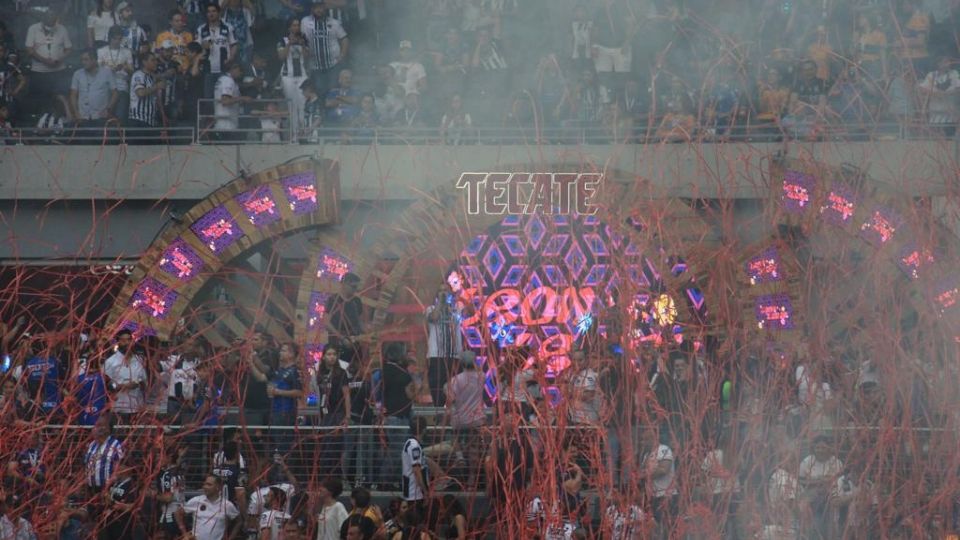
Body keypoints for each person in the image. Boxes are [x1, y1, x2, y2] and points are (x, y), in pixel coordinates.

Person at [25, 7, 73, 115]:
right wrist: (44, 60)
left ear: (56, 19)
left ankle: (60, 122)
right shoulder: (33, 28)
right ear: (43, 18)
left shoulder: (62, 29)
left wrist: (60, 59)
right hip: (39, 72)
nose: (51, 21)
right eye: (48, 17)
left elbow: (69, 49)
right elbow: (29, 50)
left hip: (58, 71)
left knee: (59, 98)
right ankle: (40, 124)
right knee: (40, 100)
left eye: (53, 19)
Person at [301, 1, 348, 96]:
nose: (319, 10)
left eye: (321, 7)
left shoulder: (334, 22)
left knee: (333, 91)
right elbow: (303, 39)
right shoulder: (305, 22)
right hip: (316, 66)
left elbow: (344, 39)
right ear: (312, 9)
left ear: (325, 7)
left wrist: (342, 55)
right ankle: (322, 110)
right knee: (320, 92)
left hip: (333, 65)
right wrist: (305, 51)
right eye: (316, 7)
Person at [316, 343, 349, 476]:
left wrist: (347, 416)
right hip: (325, 414)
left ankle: (336, 475)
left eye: (334, 354)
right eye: (329, 354)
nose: (332, 357)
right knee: (325, 444)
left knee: (335, 444)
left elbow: (347, 395)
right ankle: (325, 474)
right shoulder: (320, 373)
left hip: (338, 413)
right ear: (323, 357)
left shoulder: (341, 373)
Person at [179, 474, 241, 540]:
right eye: (204, 484)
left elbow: (239, 521)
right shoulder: (196, 501)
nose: (205, 487)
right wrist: (184, 533)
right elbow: (178, 513)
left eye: (209, 485)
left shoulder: (227, 505)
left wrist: (230, 538)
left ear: (218, 487)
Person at [103, 328, 147, 418]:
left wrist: (137, 384)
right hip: (118, 407)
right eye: (123, 340)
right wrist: (120, 386)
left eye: (129, 340)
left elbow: (144, 380)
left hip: (136, 406)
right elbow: (106, 384)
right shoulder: (110, 362)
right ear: (118, 342)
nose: (127, 343)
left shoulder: (139, 360)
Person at [278, 17, 311, 135]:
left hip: (302, 75)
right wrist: (289, 44)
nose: (296, 27)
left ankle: (303, 132)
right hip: (288, 76)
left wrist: (302, 45)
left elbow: (308, 56)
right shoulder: (282, 39)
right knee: (292, 104)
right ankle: (294, 135)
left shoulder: (304, 38)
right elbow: (281, 57)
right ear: (289, 27)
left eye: (298, 25)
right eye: (294, 25)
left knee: (302, 103)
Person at [70, 49, 118, 129]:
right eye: (82, 60)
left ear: (94, 60)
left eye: (86, 59)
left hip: (100, 117)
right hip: (83, 117)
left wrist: (108, 109)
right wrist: (76, 113)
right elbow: (73, 95)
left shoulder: (107, 72)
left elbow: (115, 93)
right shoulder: (77, 74)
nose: (83, 62)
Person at [324, 272, 363, 364]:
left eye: (356, 287)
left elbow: (359, 323)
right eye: (353, 287)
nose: (355, 290)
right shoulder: (332, 300)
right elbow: (326, 323)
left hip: (354, 342)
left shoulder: (357, 301)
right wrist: (342, 338)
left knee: (355, 370)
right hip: (337, 344)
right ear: (344, 284)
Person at [98, 26, 134, 120]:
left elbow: (132, 72)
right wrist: (109, 69)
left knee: (120, 118)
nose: (117, 41)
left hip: (121, 87)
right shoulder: (101, 51)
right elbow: (97, 71)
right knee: (103, 116)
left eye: (120, 39)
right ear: (110, 37)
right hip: (105, 88)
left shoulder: (127, 52)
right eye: (115, 38)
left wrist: (125, 67)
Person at [212, 62, 252, 141]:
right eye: (240, 71)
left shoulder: (223, 79)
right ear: (234, 69)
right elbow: (225, 101)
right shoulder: (228, 81)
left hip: (224, 124)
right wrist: (242, 98)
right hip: (226, 126)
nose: (241, 74)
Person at [84, 413, 123, 492]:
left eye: (101, 426)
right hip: (90, 487)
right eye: (96, 426)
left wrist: (113, 480)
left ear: (108, 428)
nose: (97, 429)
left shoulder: (115, 444)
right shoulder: (91, 445)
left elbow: (119, 466)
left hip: (107, 488)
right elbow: (86, 464)